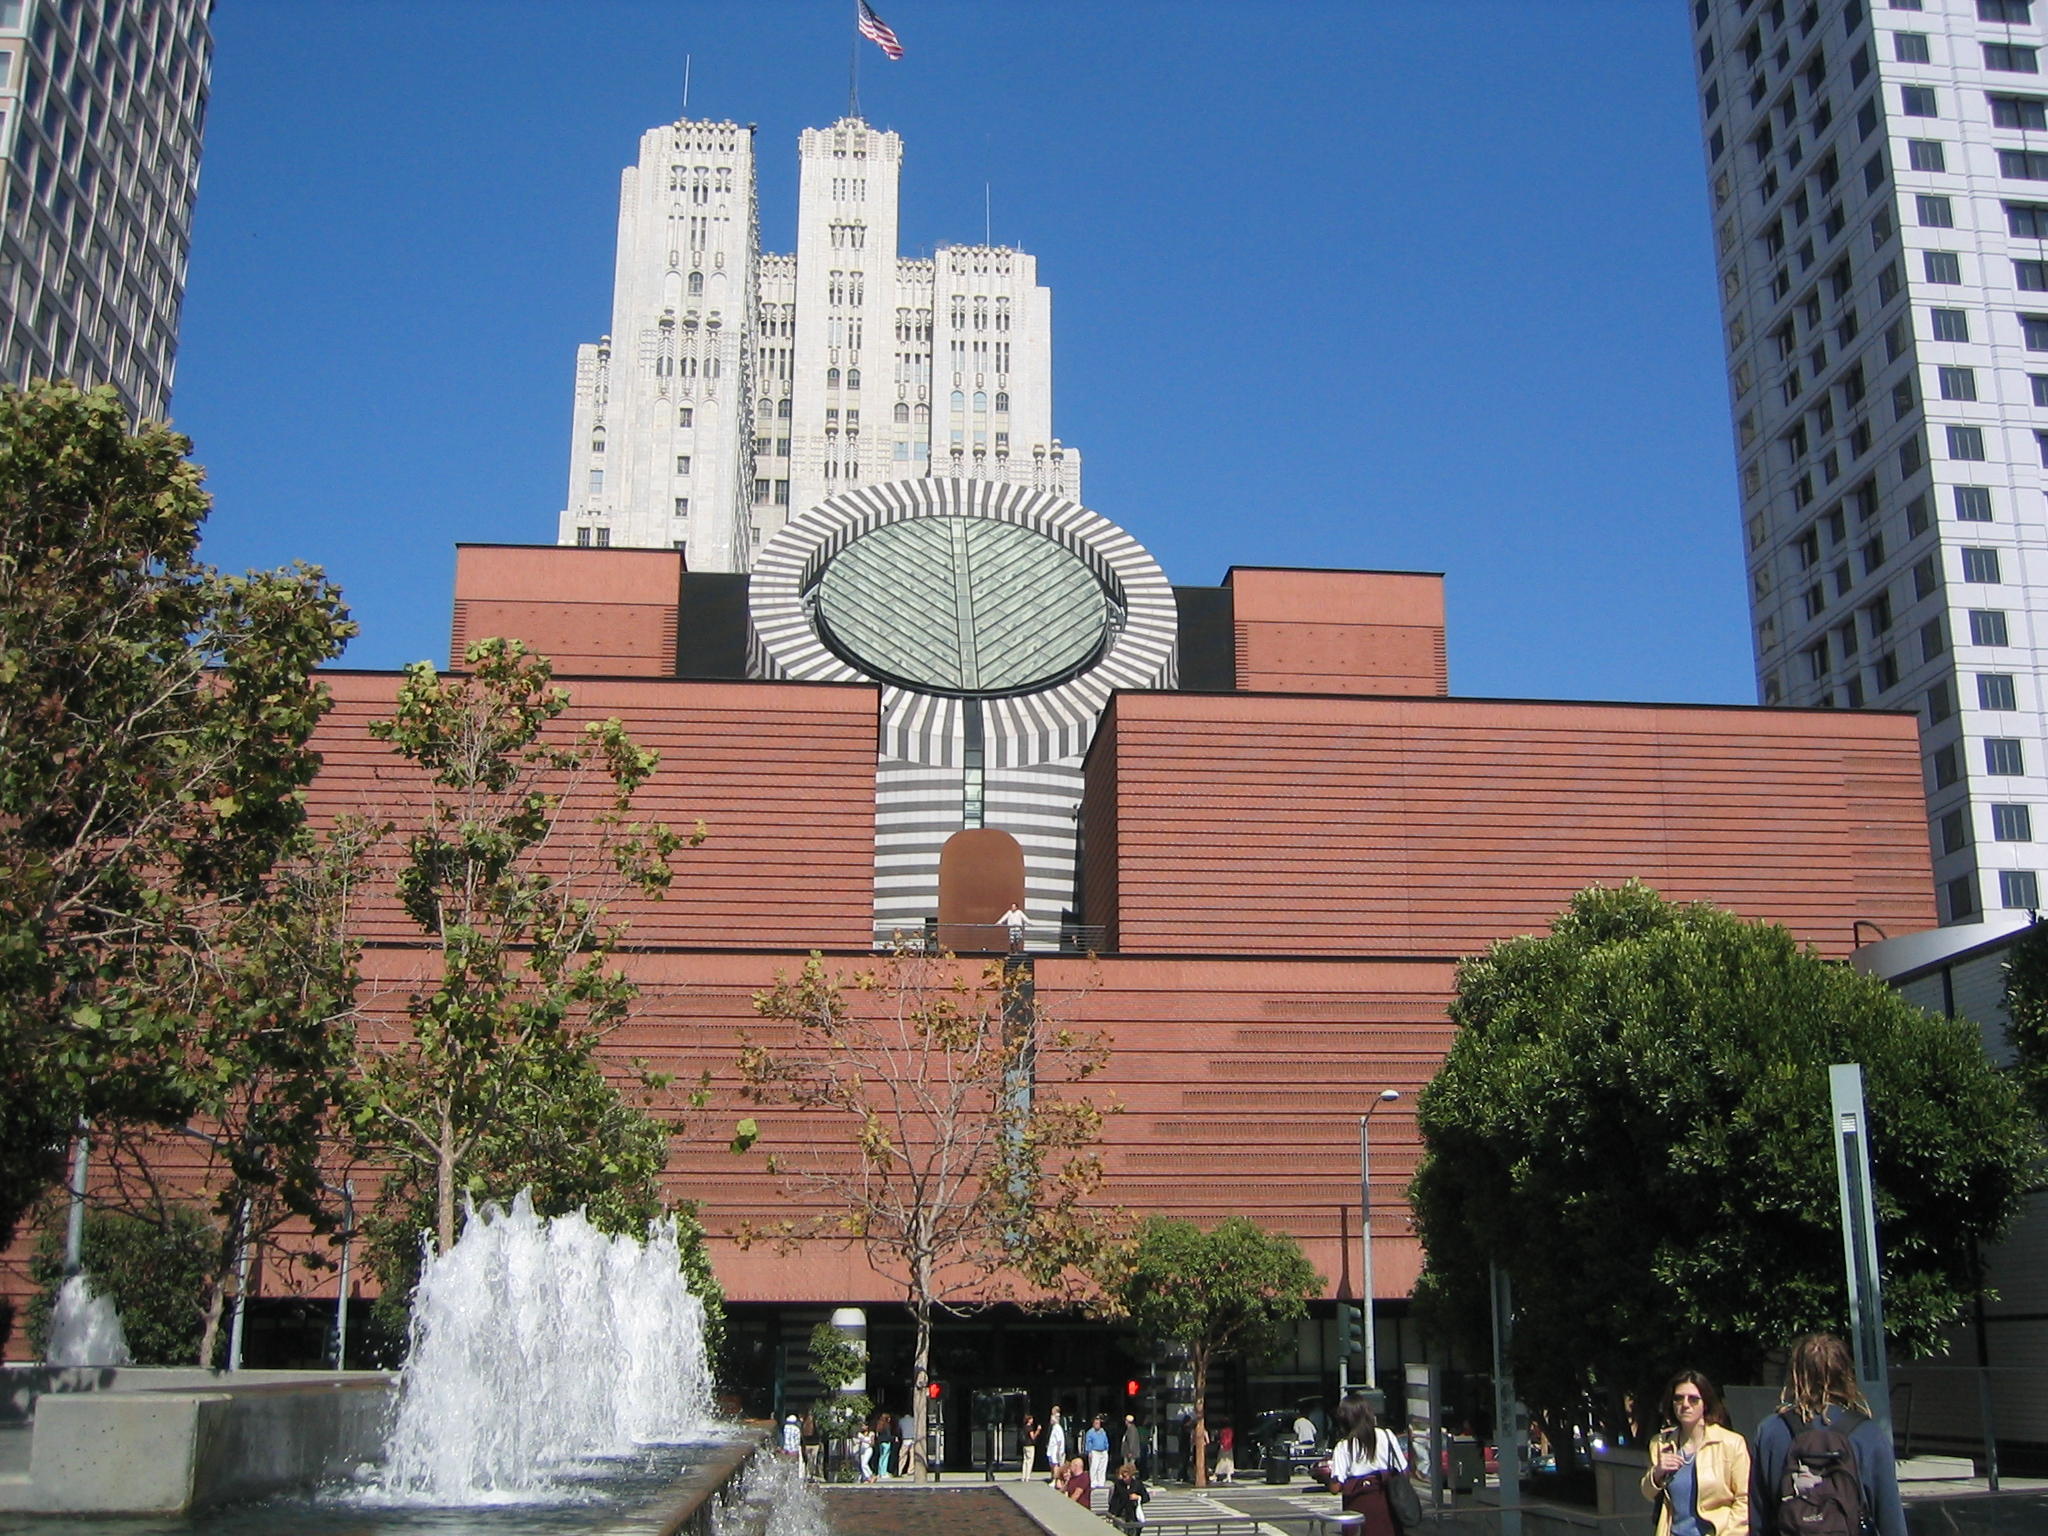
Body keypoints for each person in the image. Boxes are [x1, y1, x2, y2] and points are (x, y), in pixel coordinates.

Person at [1748, 1334, 1905, 1536]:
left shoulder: (1770, 1431)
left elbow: (1759, 1516)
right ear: (1845, 1373)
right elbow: (1890, 1518)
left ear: (1795, 1375)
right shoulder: (1868, 1434)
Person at [1640, 1370, 1749, 1536]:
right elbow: (1647, 1492)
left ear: (1705, 1403)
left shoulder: (1731, 1443)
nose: (1685, 1404)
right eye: (1678, 1398)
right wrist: (1657, 1473)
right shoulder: (1661, 1444)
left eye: (1693, 1399)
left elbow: (1744, 1500)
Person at [1324, 1393, 1408, 1536]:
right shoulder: (1387, 1435)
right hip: (1387, 1505)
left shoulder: (1344, 1446)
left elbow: (1335, 1487)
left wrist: (1329, 1477)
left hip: (1358, 1507)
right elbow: (1403, 1470)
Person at [1107, 1461, 1151, 1526]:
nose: (1124, 1479)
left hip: (1134, 1514)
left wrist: (1138, 1497)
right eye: (1123, 1476)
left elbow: (1146, 1497)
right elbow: (1114, 1500)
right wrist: (1110, 1514)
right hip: (1121, 1513)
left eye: (1125, 1476)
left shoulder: (1138, 1484)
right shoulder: (1118, 1484)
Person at [1086, 1413, 1112, 1489]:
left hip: (1103, 1451)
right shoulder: (1090, 1432)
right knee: (1094, 1467)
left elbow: (1106, 1440)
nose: (1098, 1425)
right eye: (1096, 1423)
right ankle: (1093, 1482)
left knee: (1102, 1467)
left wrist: (1107, 1449)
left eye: (1099, 1423)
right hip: (1094, 1451)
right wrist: (1089, 1451)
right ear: (1093, 1424)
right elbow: (1088, 1442)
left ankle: (1101, 1481)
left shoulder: (1103, 1431)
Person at [872, 1409, 896, 1479]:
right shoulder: (887, 1426)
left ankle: (880, 1472)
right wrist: (893, 1438)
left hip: (880, 1442)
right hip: (886, 1442)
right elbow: (888, 1436)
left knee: (881, 1457)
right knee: (886, 1457)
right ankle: (884, 1472)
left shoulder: (879, 1426)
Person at [1046, 1405, 1067, 1482]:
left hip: (1055, 1450)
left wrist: (1058, 1451)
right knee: (1052, 1464)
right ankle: (1053, 1478)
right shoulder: (1053, 1428)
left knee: (1055, 1465)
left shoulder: (1058, 1428)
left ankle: (1056, 1479)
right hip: (1051, 1449)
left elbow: (1059, 1441)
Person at [800, 1410, 823, 1482]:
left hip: (807, 1444)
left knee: (808, 1459)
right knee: (814, 1460)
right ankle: (812, 1474)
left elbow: (802, 1434)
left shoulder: (804, 1424)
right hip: (815, 1444)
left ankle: (807, 1473)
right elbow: (818, 1433)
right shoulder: (815, 1423)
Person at [1022, 1412, 1043, 1481]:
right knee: (1030, 1461)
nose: (1032, 1420)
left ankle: (1023, 1476)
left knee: (1025, 1461)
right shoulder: (1030, 1428)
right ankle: (1027, 1476)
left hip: (1025, 1445)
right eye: (1031, 1419)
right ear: (1029, 1420)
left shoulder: (1024, 1427)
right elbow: (1033, 1437)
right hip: (1030, 1445)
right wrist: (1038, 1430)